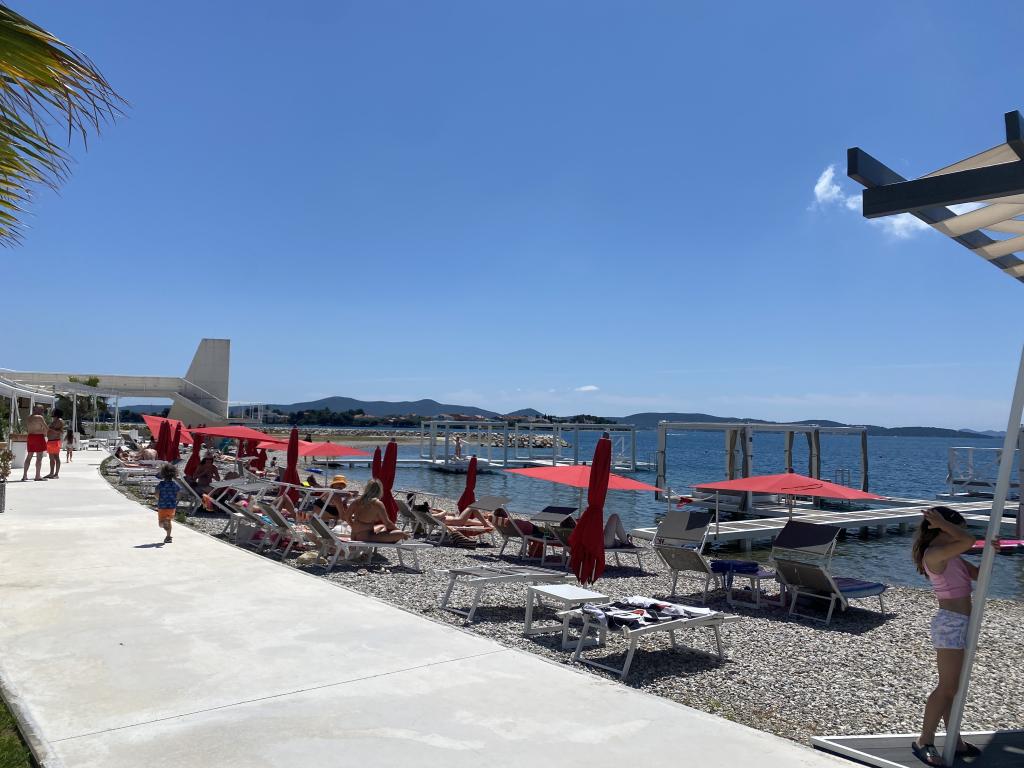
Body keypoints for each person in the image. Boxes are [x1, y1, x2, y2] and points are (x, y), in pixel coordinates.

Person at [911, 506, 988, 767]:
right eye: (955, 529)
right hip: (951, 625)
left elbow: (979, 575)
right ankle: (924, 740)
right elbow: (968, 541)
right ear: (941, 529)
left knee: (953, 688)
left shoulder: (951, 555)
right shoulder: (934, 554)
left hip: (962, 624)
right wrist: (945, 524)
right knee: (946, 687)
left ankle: (953, 738)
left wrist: (994, 552)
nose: (958, 534)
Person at [349, 479, 409, 543]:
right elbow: (388, 523)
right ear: (380, 491)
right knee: (401, 534)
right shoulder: (377, 503)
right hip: (365, 536)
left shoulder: (356, 501)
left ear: (367, 489)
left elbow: (346, 517)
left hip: (354, 535)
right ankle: (403, 534)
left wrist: (354, 526)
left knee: (382, 526)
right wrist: (398, 530)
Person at [21, 404, 49, 481]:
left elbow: (28, 428)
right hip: (38, 437)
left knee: (29, 457)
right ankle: (37, 476)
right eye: (41, 410)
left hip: (30, 437)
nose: (42, 411)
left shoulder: (29, 417)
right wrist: (43, 431)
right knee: (39, 458)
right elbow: (46, 428)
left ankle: (24, 475)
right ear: (36, 409)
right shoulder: (39, 417)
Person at [154, 463, 180, 544]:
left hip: (162, 506)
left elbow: (157, 494)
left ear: (163, 474)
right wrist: (175, 499)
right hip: (172, 507)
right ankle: (168, 537)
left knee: (161, 524)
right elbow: (178, 494)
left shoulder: (161, 484)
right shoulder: (175, 485)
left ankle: (164, 522)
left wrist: (158, 498)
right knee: (169, 521)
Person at [45, 408, 65, 479]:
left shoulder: (59, 420)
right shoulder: (54, 420)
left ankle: (56, 474)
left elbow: (60, 431)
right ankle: (51, 473)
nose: (52, 412)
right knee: (51, 458)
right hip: (50, 441)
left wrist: (50, 428)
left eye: (53, 411)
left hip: (55, 441)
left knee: (56, 457)